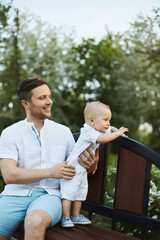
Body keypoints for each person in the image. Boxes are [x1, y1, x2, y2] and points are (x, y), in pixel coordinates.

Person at [0, 78, 98, 240]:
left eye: (49, 96)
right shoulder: (10, 133)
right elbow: (10, 175)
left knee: (35, 221)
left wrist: (91, 166)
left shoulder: (63, 132)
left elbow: (77, 167)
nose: (49, 102)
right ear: (26, 104)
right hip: (14, 195)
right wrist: (51, 172)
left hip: (50, 196)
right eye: (42, 98)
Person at [61, 101, 128, 227]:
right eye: (106, 119)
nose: (108, 123)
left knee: (80, 193)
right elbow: (103, 139)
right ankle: (65, 217)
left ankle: (75, 216)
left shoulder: (96, 129)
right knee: (68, 193)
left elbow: (110, 129)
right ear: (91, 121)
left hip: (82, 170)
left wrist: (117, 131)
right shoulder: (88, 132)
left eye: (109, 120)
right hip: (72, 169)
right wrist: (118, 134)